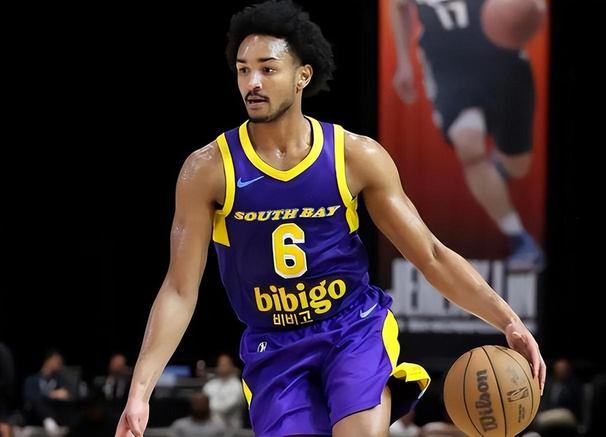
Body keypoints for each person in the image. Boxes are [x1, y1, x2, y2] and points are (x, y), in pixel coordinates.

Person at [114, 1, 545, 436]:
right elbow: (179, 289)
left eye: (267, 69)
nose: (252, 82)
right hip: (274, 342)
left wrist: (508, 320)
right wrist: (140, 392)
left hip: (351, 327)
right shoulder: (208, 169)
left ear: (302, 75)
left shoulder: (354, 156)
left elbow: (430, 255)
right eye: (243, 70)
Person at [390, 0, 545, 271]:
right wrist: (403, 62)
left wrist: (525, 12)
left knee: (517, 166)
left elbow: (531, 9)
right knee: (469, 147)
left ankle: (492, 179)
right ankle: (520, 239)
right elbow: (399, 6)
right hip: (449, 69)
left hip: (503, 63)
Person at [23, 349, 72, 437]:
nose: (59, 364)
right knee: (37, 399)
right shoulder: (32, 379)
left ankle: (50, 422)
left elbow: (67, 393)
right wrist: (51, 395)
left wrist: (57, 395)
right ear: (48, 360)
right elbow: (30, 397)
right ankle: (49, 421)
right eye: (56, 361)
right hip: (36, 417)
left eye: (60, 362)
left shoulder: (60, 380)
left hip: (56, 413)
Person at [202, 353, 244, 430]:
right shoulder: (210, 385)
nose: (222, 367)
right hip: (209, 428)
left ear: (231, 366)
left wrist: (208, 408)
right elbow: (203, 405)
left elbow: (226, 408)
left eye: (225, 365)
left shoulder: (237, 386)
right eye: (220, 364)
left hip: (230, 429)